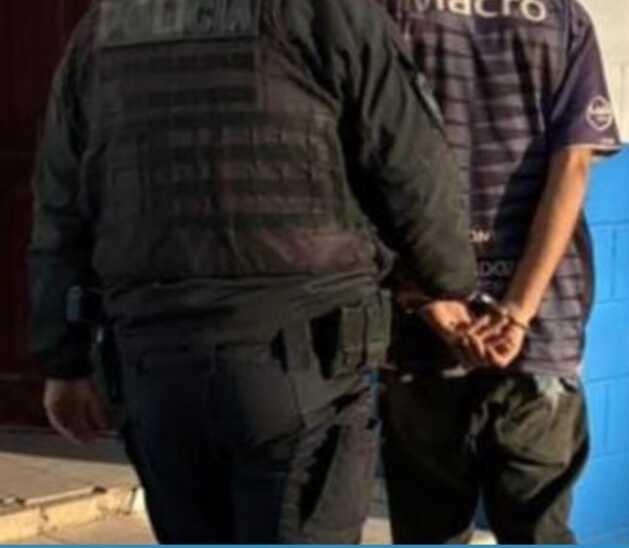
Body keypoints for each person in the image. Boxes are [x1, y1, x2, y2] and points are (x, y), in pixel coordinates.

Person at [28, 0, 478, 543]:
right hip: (300, 365)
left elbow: (60, 207)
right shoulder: (331, 14)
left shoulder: (103, 27)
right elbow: (414, 172)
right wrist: (448, 284)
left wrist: (63, 361)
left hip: (155, 368)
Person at [377, 0, 621, 543]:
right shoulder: (562, 17)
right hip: (543, 326)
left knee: (428, 531)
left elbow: (369, 161)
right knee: (538, 531)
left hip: (420, 331)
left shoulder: (386, 11)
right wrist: (517, 312)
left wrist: (436, 304)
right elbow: (574, 163)